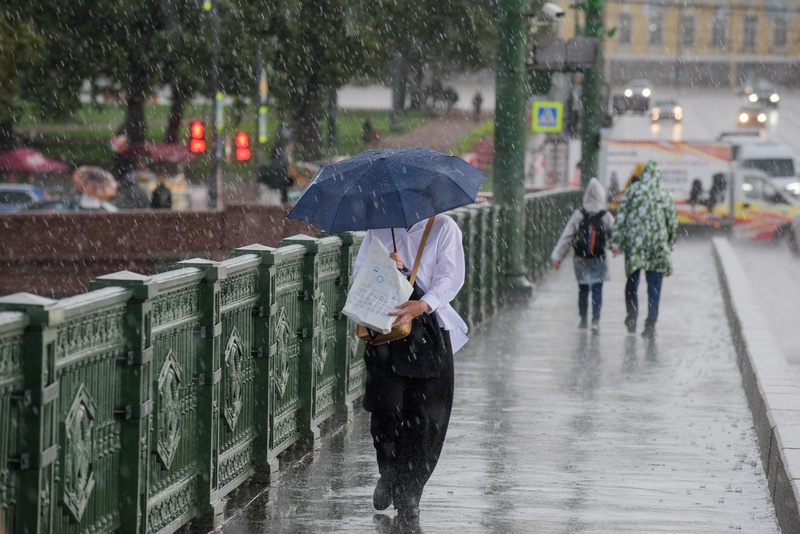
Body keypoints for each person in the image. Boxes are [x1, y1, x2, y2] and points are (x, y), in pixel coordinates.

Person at [352, 214, 468, 525]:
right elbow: (358, 275)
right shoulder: (378, 226)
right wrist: (384, 269)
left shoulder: (444, 228)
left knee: (427, 420)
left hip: (427, 333)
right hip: (385, 331)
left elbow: (451, 277)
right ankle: (388, 473)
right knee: (385, 409)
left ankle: (411, 491)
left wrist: (423, 303)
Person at [609, 160, 678, 337]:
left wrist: (616, 242)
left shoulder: (633, 191)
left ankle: (632, 315)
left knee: (632, 282)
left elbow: (621, 218)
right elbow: (672, 223)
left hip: (635, 245)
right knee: (654, 286)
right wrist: (669, 243)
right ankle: (651, 323)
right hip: (657, 247)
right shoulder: (665, 194)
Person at [550, 178, 615, 332]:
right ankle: (596, 321)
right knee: (597, 290)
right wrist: (617, 248)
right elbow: (616, 234)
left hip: (580, 258)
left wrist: (558, 257)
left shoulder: (579, 214)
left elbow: (567, 237)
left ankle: (583, 319)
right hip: (599, 258)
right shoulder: (605, 215)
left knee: (583, 289)